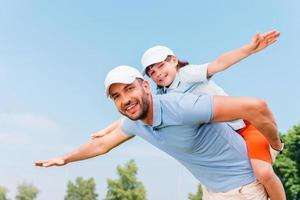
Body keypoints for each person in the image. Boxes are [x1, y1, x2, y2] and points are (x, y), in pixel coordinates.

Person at [36, 65, 283, 199]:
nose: (125, 99)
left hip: (245, 189)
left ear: (145, 86)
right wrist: (66, 158)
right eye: (116, 96)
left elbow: (256, 106)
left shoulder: (181, 106)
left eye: (129, 89)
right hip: (213, 191)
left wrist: (275, 145)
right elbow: (101, 145)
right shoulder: (135, 122)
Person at [92, 30, 285, 199]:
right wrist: (106, 131)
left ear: (174, 61)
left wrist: (249, 49)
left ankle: (277, 147)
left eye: (160, 66)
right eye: (151, 72)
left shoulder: (187, 74)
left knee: (263, 173)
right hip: (228, 137)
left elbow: (219, 63)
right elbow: (131, 115)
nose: (157, 73)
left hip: (244, 126)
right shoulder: (162, 95)